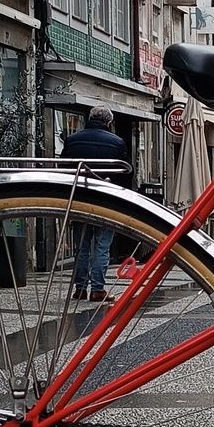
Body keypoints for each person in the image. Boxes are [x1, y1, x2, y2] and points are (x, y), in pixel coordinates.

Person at [62, 105, 129, 300]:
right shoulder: (116, 142)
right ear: (109, 122)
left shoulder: (72, 140)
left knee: (82, 247)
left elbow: (63, 168)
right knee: (102, 246)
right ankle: (98, 289)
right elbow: (126, 173)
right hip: (106, 201)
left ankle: (80, 288)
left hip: (80, 200)